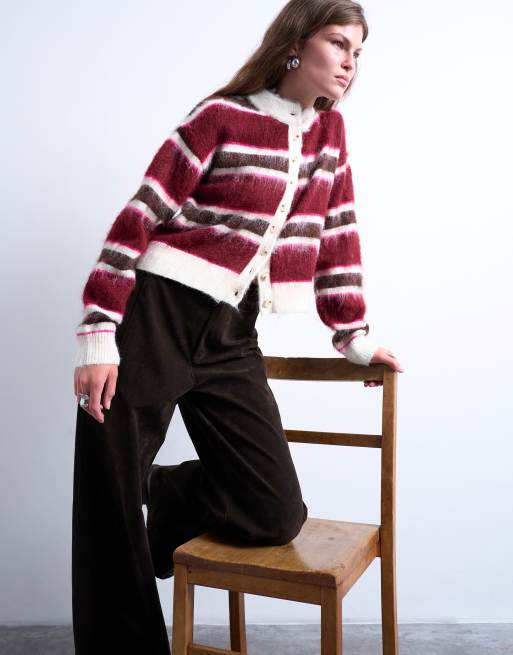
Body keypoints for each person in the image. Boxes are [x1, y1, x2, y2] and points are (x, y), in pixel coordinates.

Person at [71, 0, 405, 652]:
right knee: (108, 497)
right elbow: (140, 216)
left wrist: (353, 338)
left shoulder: (328, 134)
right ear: (295, 43)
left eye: (358, 51)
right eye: (338, 43)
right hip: (155, 314)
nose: (350, 62)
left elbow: (337, 232)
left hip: (231, 329)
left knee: (273, 510)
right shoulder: (219, 116)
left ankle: (166, 491)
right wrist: (99, 331)